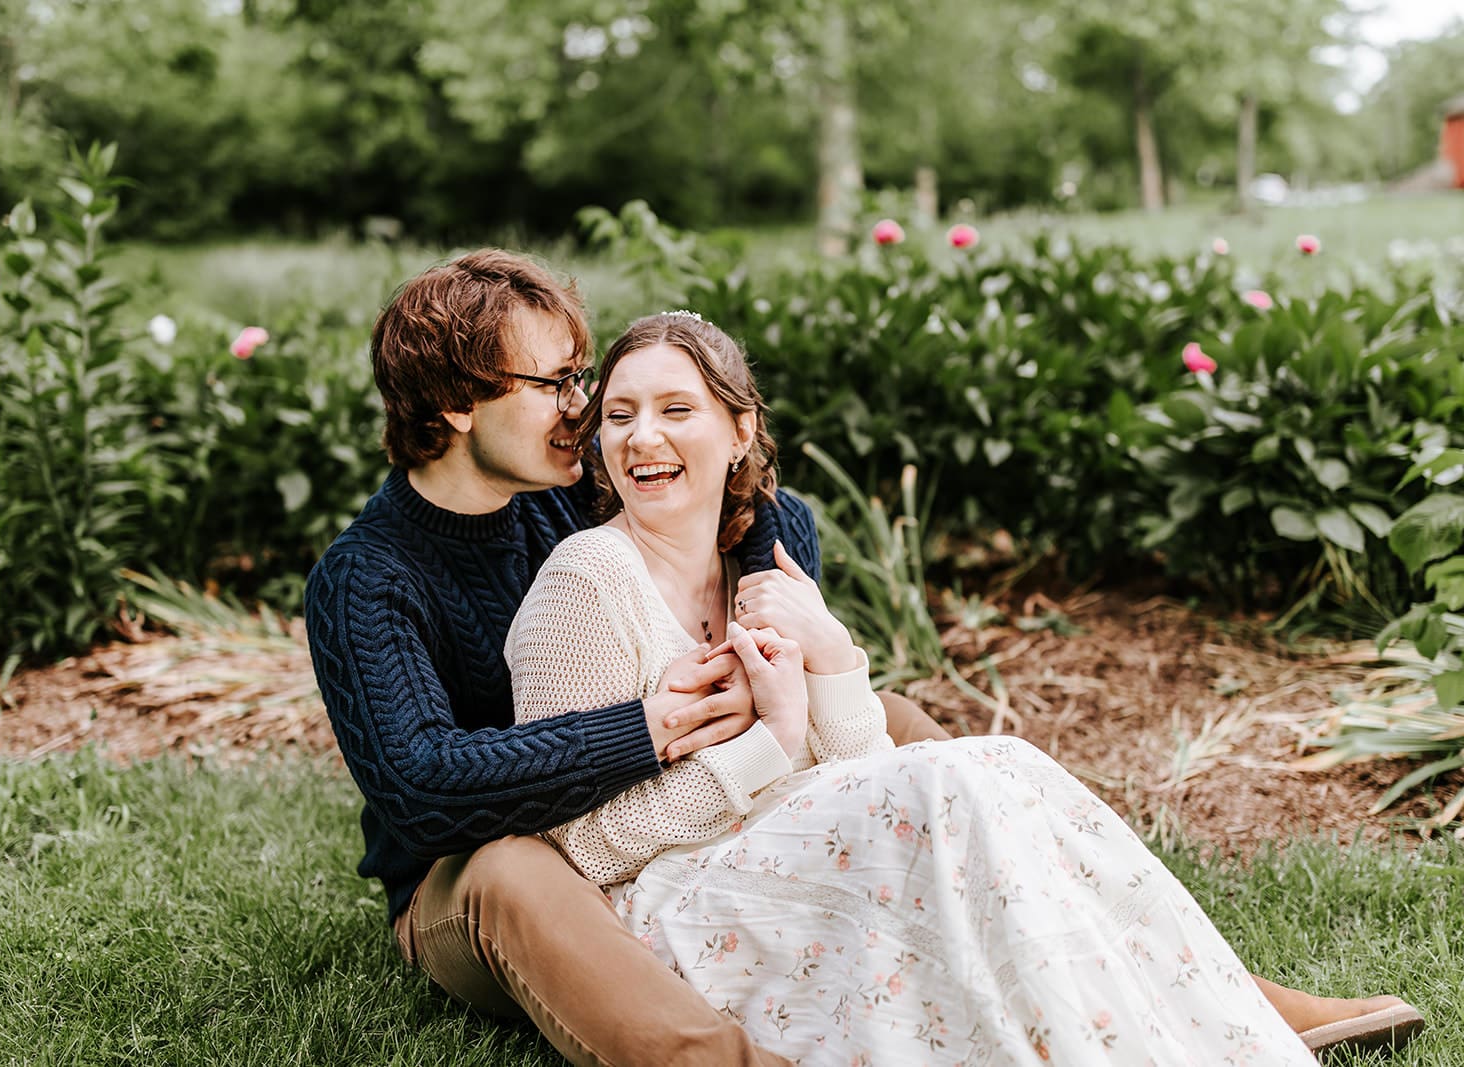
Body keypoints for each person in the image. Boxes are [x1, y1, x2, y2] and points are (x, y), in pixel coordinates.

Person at [505, 310, 1427, 1062]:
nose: (642, 436)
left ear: (739, 429)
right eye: (620, 414)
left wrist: (832, 656)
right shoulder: (589, 579)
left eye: (676, 409)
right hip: (681, 905)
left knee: (998, 770)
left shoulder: (759, 573)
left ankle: (1188, 1015)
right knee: (955, 778)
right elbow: (578, 844)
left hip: (799, 854)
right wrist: (764, 749)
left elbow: (859, 768)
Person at [303, 249, 949, 1067]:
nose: (585, 408)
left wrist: (759, 646)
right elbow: (422, 788)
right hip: (468, 876)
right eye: (557, 384)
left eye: (582, 380)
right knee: (514, 871)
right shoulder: (365, 577)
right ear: (457, 401)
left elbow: (770, 511)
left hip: (633, 802)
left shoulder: (565, 490)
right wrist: (648, 725)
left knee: (887, 717)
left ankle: (1013, 886)